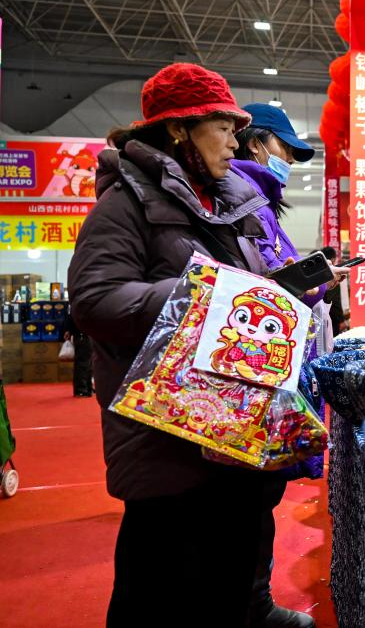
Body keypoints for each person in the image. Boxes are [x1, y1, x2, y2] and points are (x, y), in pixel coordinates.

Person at [67, 63, 273, 626]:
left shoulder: (227, 203)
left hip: (232, 424)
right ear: (179, 129)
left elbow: (244, 290)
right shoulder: (124, 202)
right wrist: (204, 293)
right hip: (165, 433)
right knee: (159, 589)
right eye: (223, 128)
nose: (235, 143)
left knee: (229, 584)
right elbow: (95, 299)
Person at [233, 103, 347, 628]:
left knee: (258, 496)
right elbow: (257, 285)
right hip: (249, 367)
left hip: (268, 363)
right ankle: (248, 607)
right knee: (245, 498)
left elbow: (274, 279)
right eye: (284, 148)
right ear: (255, 142)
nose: (289, 161)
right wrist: (305, 283)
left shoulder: (258, 201)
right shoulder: (238, 199)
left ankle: (253, 603)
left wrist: (316, 281)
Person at [64, 306, 93, 397]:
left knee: (88, 364)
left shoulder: (77, 303)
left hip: (85, 335)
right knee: (82, 364)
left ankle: (87, 387)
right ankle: (81, 389)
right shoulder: (79, 304)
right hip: (82, 335)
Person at [319, 246, 346, 335]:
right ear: (333, 259)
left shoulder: (317, 274)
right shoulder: (333, 276)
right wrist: (341, 320)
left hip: (316, 317)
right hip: (330, 319)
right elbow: (335, 301)